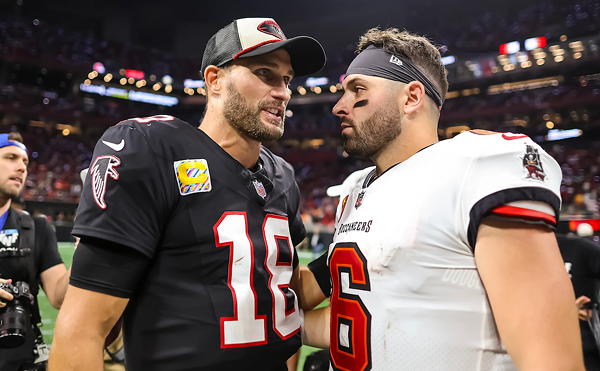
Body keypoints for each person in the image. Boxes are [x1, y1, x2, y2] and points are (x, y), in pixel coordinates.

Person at [48, 17, 326, 371]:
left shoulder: (283, 176)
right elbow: (82, 330)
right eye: (265, 73)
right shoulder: (150, 148)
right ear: (215, 81)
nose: (283, 92)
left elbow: (280, 297)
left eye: (286, 79)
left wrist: (343, 261)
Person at [299, 28, 584, 371]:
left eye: (357, 90)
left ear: (411, 97)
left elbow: (550, 360)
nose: (339, 107)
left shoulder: (474, 167)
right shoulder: (357, 189)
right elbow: (360, 321)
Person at [0, 132, 70, 371]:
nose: (21, 167)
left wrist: (87, 251)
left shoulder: (38, 228)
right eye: (11, 157)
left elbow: (59, 297)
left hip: (19, 357)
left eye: (25, 162)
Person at [556, 230, 600, 371]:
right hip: (536, 347)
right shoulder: (515, 254)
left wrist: (596, 314)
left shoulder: (577, 247)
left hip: (583, 349)